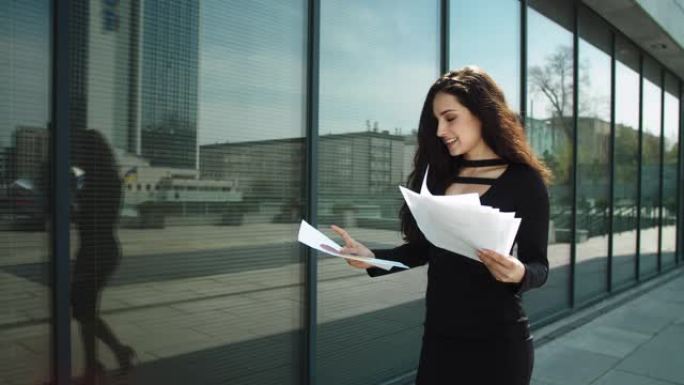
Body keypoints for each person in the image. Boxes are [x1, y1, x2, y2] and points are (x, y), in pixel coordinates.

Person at [331, 66, 551, 385]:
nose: (440, 130)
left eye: (449, 118)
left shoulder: (524, 181)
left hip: (499, 347)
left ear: (481, 112)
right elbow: (421, 250)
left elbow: (539, 266)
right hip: (440, 342)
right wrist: (371, 257)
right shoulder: (438, 176)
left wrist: (519, 273)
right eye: (436, 121)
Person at [71, 129, 136, 384]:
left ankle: (98, 364)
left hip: (98, 251)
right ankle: (110, 357)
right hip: (95, 250)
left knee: (84, 309)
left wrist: (74, 211)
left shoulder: (103, 179)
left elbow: (96, 218)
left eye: (80, 149)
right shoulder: (96, 178)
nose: (77, 154)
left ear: (91, 151)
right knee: (83, 310)